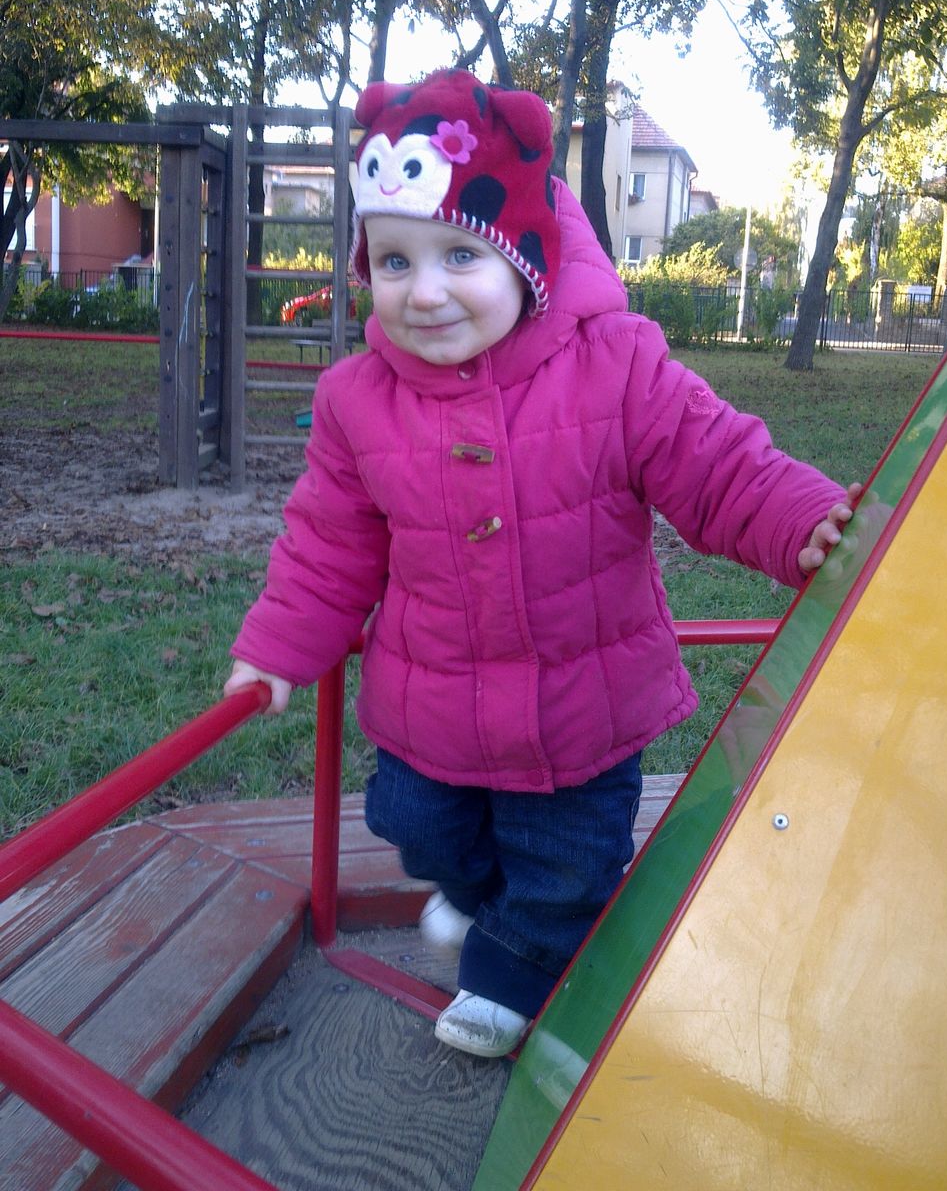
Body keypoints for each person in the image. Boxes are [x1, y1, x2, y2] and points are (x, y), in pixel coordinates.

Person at [225, 68, 858, 1059]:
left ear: (526, 258)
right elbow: (327, 542)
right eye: (393, 261)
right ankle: (490, 903)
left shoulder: (617, 365)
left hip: (582, 707)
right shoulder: (357, 400)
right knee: (413, 824)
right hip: (431, 703)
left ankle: (510, 973)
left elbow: (718, 463)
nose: (425, 291)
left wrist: (804, 520)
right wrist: (276, 648)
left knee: (566, 864)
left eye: (460, 254)